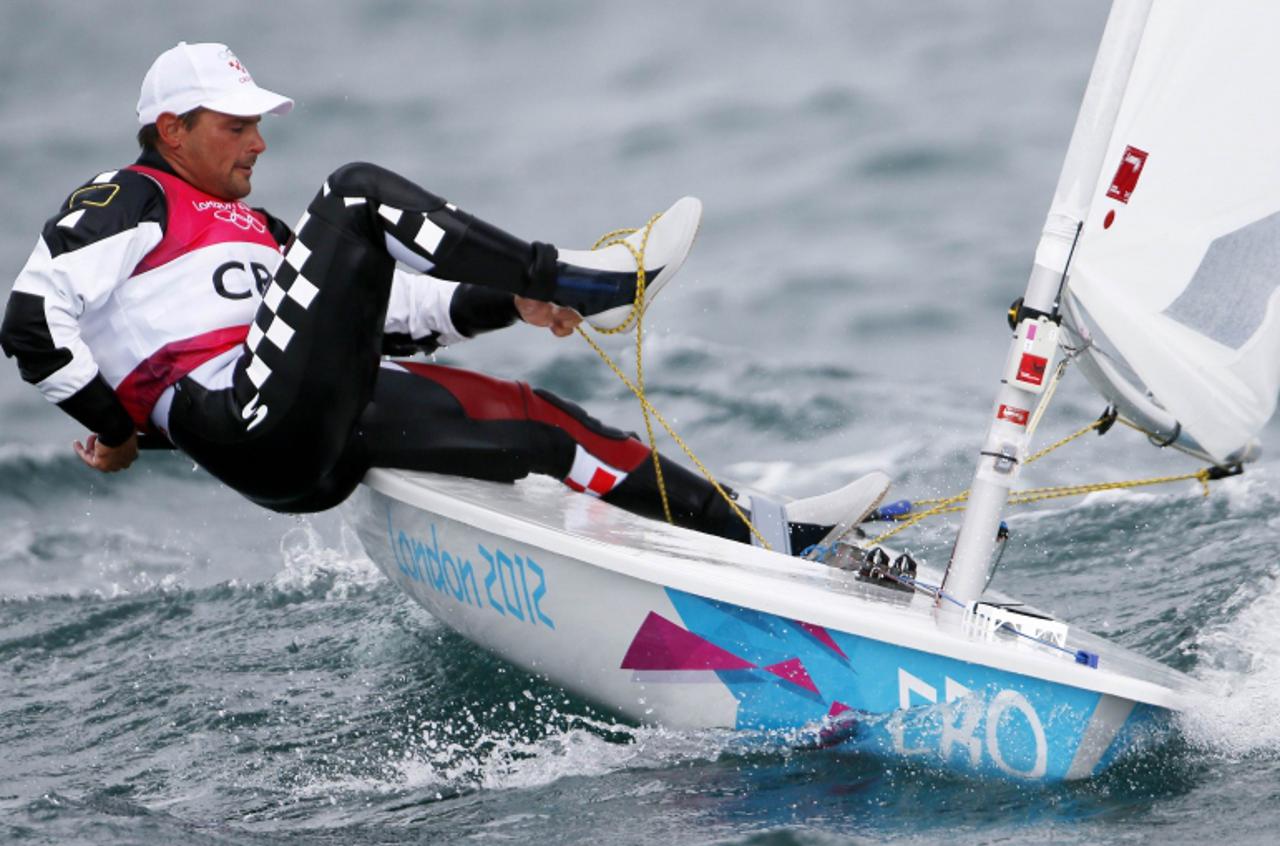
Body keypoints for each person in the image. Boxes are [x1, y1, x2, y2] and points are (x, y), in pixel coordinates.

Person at [1, 42, 888, 556]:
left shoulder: (256, 229)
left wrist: (509, 308)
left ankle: (767, 532)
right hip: (251, 423)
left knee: (545, 422)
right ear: (171, 130)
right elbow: (32, 323)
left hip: (324, 419)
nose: (260, 141)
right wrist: (118, 431)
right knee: (354, 194)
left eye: (258, 122)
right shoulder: (132, 197)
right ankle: (568, 274)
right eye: (236, 125)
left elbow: (389, 315)